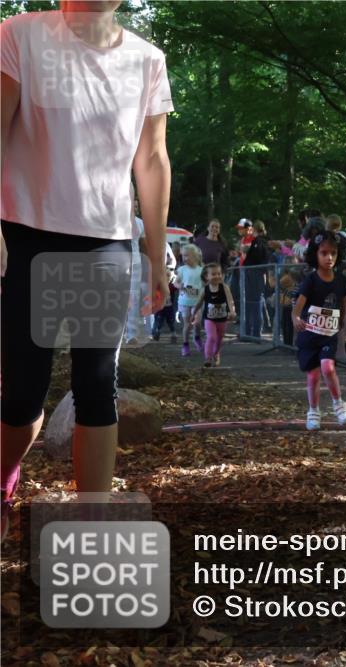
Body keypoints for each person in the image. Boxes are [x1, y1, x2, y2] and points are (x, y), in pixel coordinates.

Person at [1, 0, 173, 534]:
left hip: (106, 242)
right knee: (24, 392)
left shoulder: (147, 59)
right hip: (26, 232)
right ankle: (3, 480)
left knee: (98, 385)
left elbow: (151, 158)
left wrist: (156, 255)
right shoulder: (19, 36)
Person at [293, 231, 346, 430]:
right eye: (324, 253)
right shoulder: (310, 280)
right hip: (310, 335)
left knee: (328, 367)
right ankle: (313, 411)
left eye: (333, 253)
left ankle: (339, 404)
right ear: (315, 255)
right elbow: (298, 307)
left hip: (328, 335)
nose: (329, 258)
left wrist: (342, 323)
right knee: (313, 376)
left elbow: (344, 304)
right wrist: (296, 319)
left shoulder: (342, 281)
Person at [192, 263, 236, 367]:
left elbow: (230, 301)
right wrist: (194, 313)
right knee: (211, 337)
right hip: (209, 318)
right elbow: (198, 303)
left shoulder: (224, 287)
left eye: (219, 274)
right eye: (213, 274)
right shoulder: (205, 290)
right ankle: (208, 358)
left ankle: (216, 353)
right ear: (207, 277)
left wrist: (232, 311)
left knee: (219, 339)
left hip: (222, 319)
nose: (217, 276)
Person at [174, 243, 205, 357]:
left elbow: (205, 283)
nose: (184, 258)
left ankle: (197, 338)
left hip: (197, 301)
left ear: (195, 256)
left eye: (187, 256)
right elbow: (175, 283)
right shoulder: (182, 269)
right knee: (187, 324)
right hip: (184, 301)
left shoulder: (201, 270)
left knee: (197, 322)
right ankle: (185, 345)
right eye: (183, 256)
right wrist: (180, 286)